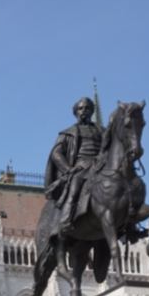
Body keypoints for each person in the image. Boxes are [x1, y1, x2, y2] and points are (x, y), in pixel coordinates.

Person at [44, 97, 104, 237]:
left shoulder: (103, 131)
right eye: (80, 108)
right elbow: (56, 153)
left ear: (92, 111)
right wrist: (69, 169)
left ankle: (130, 225)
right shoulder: (68, 133)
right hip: (81, 167)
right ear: (76, 112)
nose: (84, 111)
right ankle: (65, 222)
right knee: (74, 190)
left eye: (87, 108)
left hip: (101, 165)